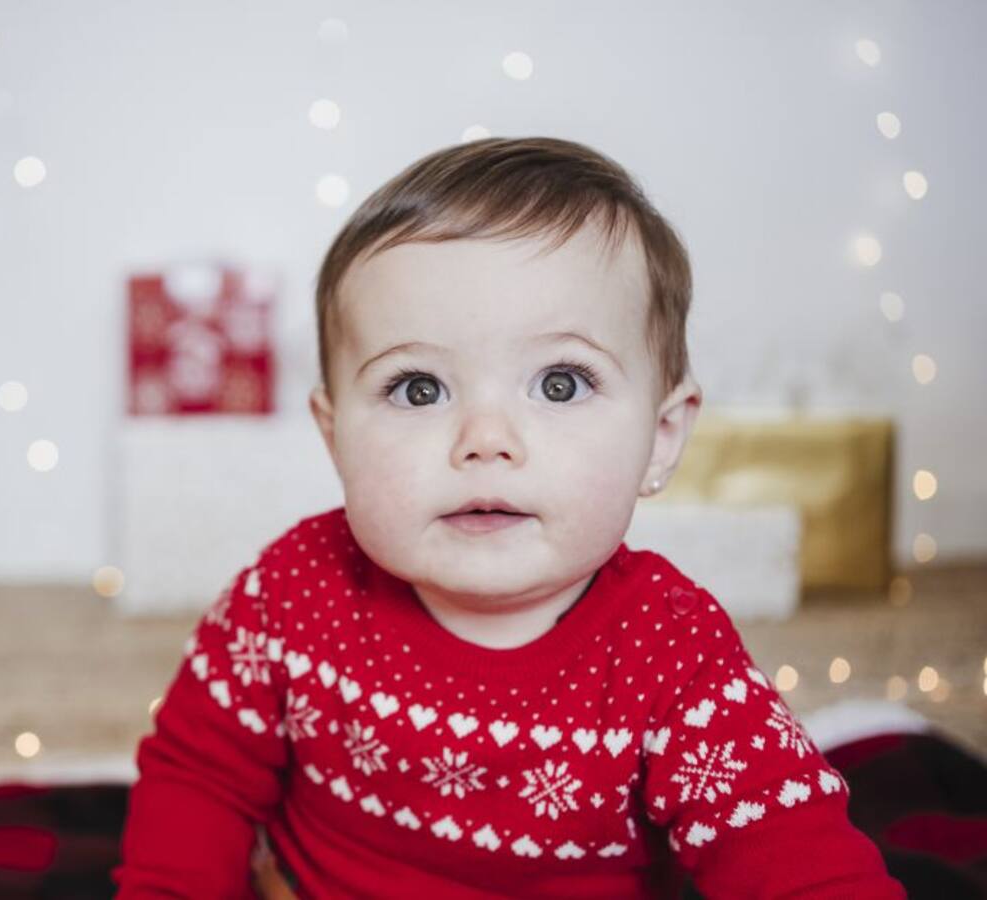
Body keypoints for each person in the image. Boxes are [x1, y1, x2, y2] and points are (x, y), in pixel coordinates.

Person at [113, 137, 905, 898]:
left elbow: (794, 858)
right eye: (418, 388)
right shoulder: (292, 591)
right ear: (335, 436)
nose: (485, 440)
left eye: (560, 384)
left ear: (661, 438)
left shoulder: (672, 656)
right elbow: (199, 779)